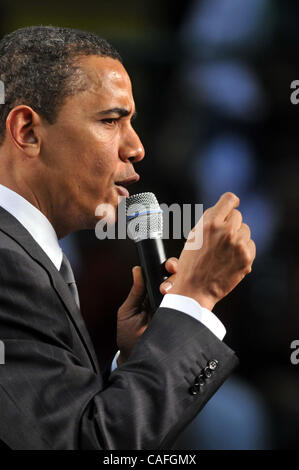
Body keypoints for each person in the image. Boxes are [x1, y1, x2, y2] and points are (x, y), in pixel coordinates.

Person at [0, 26, 255, 450]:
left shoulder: (25, 254)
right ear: (27, 131)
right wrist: (195, 299)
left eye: (131, 121)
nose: (136, 147)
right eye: (110, 121)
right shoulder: (7, 265)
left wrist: (137, 364)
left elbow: (59, 427)